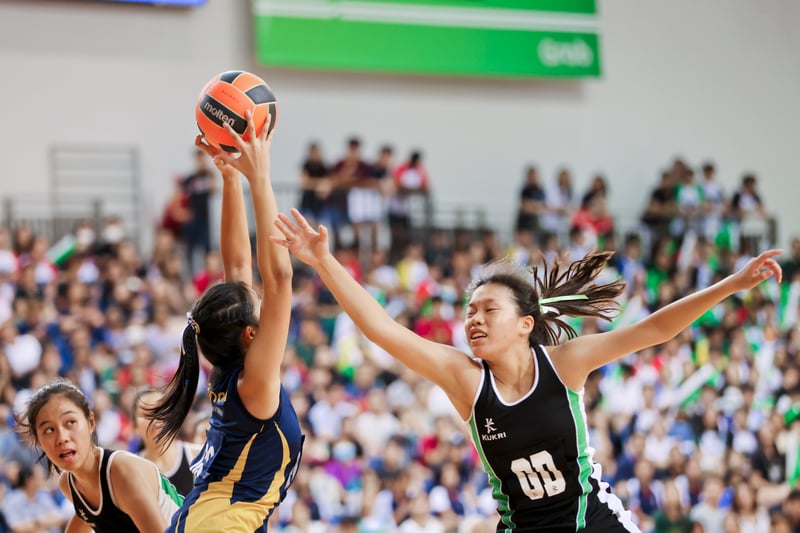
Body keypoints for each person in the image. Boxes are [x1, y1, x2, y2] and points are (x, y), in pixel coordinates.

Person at [273, 207, 782, 532]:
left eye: (487, 310)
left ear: (524, 324)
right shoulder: (466, 380)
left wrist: (730, 286)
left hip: (593, 522)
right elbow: (382, 329)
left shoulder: (564, 364)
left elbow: (652, 330)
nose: (473, 319)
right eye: (469, 311)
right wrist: (324, 262)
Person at [145, 111, 304, 532]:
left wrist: (230, 179)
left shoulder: (233, 370)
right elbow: (280, 276)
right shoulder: (252, 382)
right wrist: (259, 176)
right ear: (251, 334)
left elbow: (237, 264)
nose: (257, 292)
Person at [17, 379, 184, 533]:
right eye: (49, 430)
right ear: (38, 442)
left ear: (90, 422)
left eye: (70, 422)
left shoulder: (121, 471)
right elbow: (90, 517)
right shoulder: (69, 484)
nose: (62, 438)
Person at [132, 388, 202, 496]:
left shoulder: (198, 456)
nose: (154, 419)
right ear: (135, 426)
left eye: (161, 409)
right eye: (146, 413)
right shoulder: (132, 469)